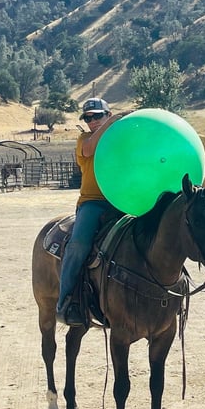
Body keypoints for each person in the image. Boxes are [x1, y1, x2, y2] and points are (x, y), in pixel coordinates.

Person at [56, 97, 124, 326]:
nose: (92, 121)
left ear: (107, 113)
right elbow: (89, 148)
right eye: (88, 118)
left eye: (97, 116)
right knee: (79, 244)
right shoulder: (84, 139)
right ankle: (66, 300)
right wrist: (110, 123)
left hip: (124, 201)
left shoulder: (120, 139)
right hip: (93, 202)